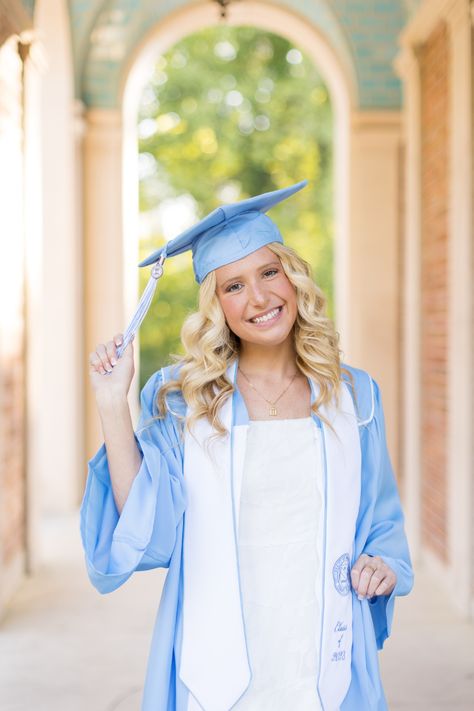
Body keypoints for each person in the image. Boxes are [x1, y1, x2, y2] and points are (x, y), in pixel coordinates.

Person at [81, 180, 414, 711]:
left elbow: (380, 522)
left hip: (323, 658)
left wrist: (383, 564)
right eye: (232, 286)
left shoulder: (354, 396)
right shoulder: (183, 402)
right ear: (216, 307)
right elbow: (149, 531)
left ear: (294, 276)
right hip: (215, 668)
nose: (258, 297)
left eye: (268, 272)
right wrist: (110, 403)